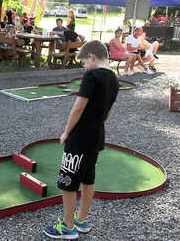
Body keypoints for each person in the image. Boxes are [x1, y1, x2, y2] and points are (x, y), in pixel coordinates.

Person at [43, 40, 119, 239]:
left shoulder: (91, 75)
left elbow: (78, 107)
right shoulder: (114, 78)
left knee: (67, 181)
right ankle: (81, 220)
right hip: (97, 137)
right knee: (88, 178)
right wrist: (101, 122)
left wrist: (66, 132)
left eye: (85, 62)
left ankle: (68, 227)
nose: (85, 66)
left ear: (92, 57)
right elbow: (110, 109)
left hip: (80, 137)